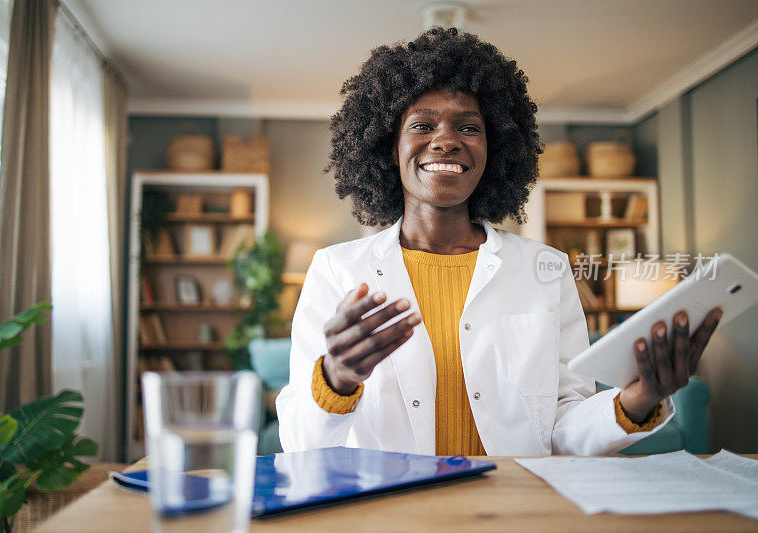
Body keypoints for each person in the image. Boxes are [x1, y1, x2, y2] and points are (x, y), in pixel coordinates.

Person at [275, 28, 721, 456]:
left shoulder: (545, 268)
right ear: (389, 147)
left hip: (512, 503)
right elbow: (299, 444)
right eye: (422, 126)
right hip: (388, 506)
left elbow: (562, 428)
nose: (446, 140)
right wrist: (335, 378)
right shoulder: (336, 270)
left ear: (496, 150)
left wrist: (639, 398)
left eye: (469, 128)